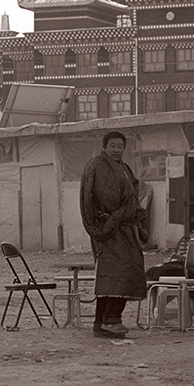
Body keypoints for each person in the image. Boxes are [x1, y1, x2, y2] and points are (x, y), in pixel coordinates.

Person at [80, 131, 149, 338]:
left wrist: (134, 218)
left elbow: (133, 195)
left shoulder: (124, 168)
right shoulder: (97, 166)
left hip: (123, 228)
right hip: (108, 228)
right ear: (104, 147)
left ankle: (100, 323)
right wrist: (108, 220)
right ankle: (112, 319)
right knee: (120, 272)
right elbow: (96, 197)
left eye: (120, 146)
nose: (117, 150)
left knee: (110, 276)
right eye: (113, 146)